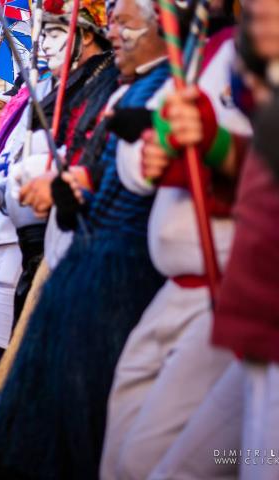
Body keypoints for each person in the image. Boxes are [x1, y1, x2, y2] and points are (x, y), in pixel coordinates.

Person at [0, 0, 180, 476]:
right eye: (111, 22)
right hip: (80, 250)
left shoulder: (167, 85)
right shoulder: (123, 86)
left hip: (123, 264)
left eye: (126, 24)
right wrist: (72, 181)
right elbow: (100, 164)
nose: (115, 33)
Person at [100, 7, 251, 478]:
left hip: (227, 288)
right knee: (120, 447)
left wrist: (215, 144)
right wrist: (152, 137)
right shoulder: (197, 56)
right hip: (175, 290)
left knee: (157, 460)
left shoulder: (247, 51)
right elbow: (149, 169)